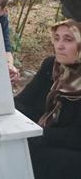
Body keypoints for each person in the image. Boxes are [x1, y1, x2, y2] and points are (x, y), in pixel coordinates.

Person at [14, 19, 81, 179]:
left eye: (68, 39)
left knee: (26, 155)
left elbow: (75, 136)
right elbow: (22, 102)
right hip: (45, 137)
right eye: (56, 38)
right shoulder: (51, 65)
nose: (59, 45)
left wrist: (34, 133)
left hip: (72, 151)